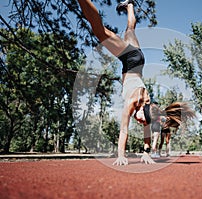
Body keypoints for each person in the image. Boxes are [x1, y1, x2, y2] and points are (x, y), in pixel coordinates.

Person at [77, 0, 195, 165]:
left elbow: (147, 134)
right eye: (140, 119)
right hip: (130, 59)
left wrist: (146, 153)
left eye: (141, 121)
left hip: (138, 59)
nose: (138, 121)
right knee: (100, 31)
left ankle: (130, 5)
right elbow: (124, 130)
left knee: (130, 30)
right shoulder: (133, 102)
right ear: (144, 110)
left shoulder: (148, 109)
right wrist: (121, 155)